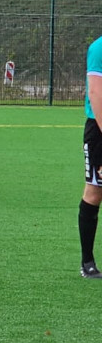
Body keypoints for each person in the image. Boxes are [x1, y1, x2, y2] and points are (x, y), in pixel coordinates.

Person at [79, 34, 102, 278]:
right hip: (99, 130)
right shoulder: (99, 48)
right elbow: (96, 93)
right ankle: (88, 262)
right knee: (95, 193)